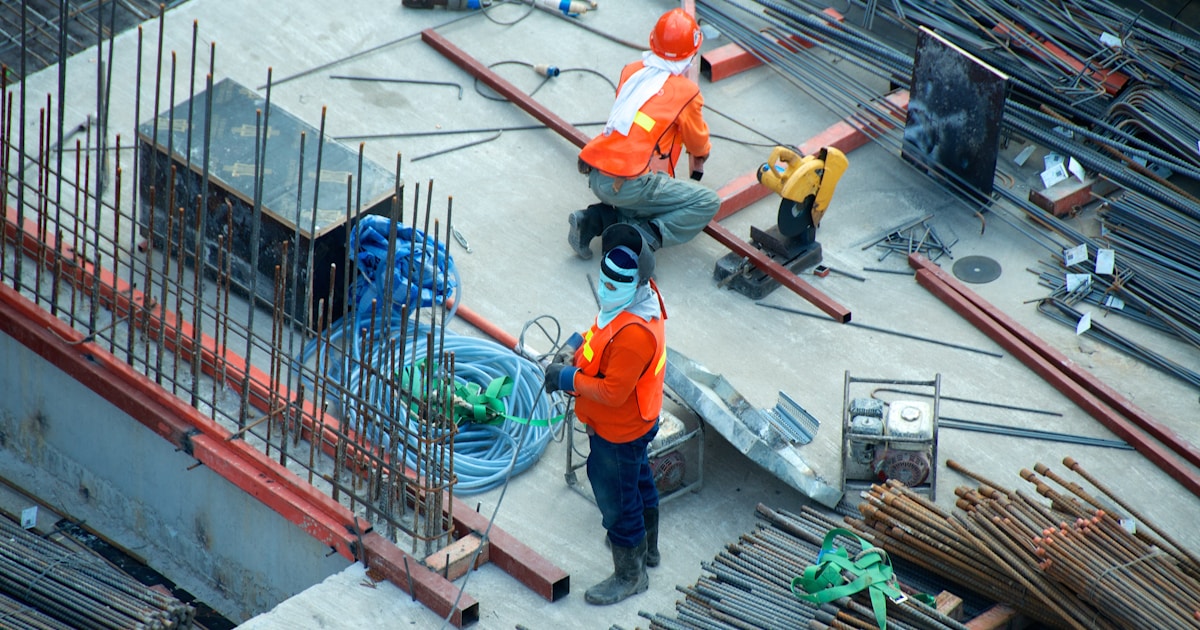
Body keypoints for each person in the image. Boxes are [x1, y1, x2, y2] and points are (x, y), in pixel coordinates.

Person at [544, 223, 668, 606]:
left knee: (618, 500)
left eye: (616, 285)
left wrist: (568, 377)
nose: (606, 290)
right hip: (637, 422)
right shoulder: (635, 302)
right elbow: (601, 333)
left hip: (620, 429)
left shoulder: (635, 334)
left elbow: (613, 393)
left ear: (637, 282)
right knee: (638, 480)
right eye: (605, 281)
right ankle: (647, 550)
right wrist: (575, 347)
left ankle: (631, 575)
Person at [569, 8, 720, 259]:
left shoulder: (632, 71)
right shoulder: (686, 92)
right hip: (629, 183)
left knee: (644, 196)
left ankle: (592, 220)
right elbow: (697, 142)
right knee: (706, 202)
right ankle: (643, 238)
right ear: (692, 54)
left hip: (597, 172)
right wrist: (702, 153)